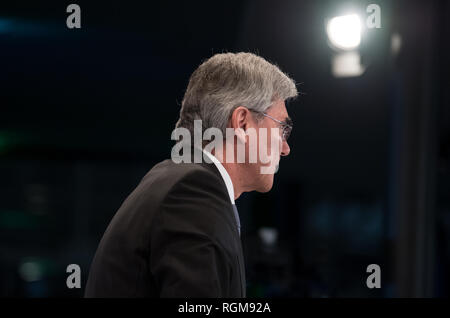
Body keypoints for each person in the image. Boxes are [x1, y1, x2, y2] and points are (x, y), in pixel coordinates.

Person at [85, 52, 298, 297]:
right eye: (282, 128)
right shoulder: (194, 191)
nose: (285, 148)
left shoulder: (177, 180)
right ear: (242, 123)